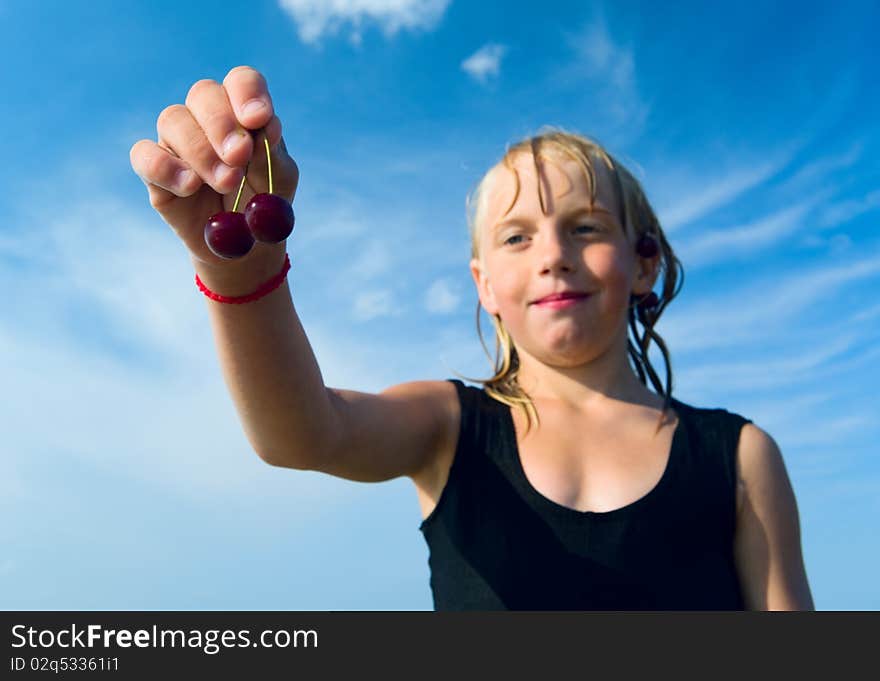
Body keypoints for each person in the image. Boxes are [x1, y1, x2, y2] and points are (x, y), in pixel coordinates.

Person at [130, 65, 815, 611]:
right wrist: (245, 268)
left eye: (586, 227)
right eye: (517, 237)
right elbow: (302, 433)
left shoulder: (741, 456)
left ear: (643, 263)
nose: (553, 254)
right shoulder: (448, 426)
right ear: (484, 284)